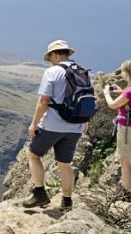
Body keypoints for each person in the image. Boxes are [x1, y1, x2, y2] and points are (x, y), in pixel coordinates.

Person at [22, 40, 89, 212]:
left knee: (33, 154)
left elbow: (44, 101)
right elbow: (87, 99)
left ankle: (39, 194)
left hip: (53, 125)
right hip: (75, 127)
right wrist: (84, 122)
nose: (50, 61)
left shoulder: (52, 72)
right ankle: (67, 202)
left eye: (50, 57)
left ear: (55, 54)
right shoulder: (82, 72)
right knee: (64, 164)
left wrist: (34, 124)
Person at [103, 60, 131, 202]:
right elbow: (130, 95)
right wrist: (120, 91)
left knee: (125, 161)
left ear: (126, 73)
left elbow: (112, 105)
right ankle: (125, 188)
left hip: (127, 129)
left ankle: (126, 193)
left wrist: (107, 93)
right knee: (125, 159)